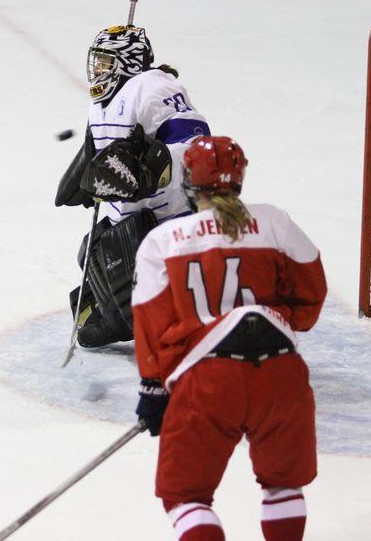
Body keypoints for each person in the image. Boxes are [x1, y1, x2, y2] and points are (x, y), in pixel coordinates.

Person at [131, 136, 326, 541]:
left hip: (208, 382)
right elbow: (311, 295)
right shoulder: (274, 222)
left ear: (188, 181)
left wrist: (153, 387)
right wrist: (279, 317)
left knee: (186, 497)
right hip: (281, 374)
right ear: (239, 178)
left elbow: (151, 323)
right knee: (284, 484)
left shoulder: (163, 241)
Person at [56, 22, 210, 347]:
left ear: (129, 61)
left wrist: (153, 165)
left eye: (106, 62)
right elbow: (100, 147)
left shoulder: (153, 87)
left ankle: (167, 315)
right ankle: (144, 313)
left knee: (121, 298)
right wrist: (84, 174)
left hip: (167, 222)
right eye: (95, 61)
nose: (98, 69)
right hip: (130, 221)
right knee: (90, 253)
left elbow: (197, 144)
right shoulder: (100, 101)